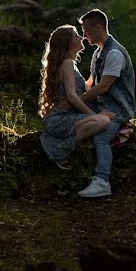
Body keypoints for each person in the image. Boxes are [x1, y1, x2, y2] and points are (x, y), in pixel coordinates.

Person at [76, 8, 136, 198]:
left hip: (117, 109)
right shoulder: (98, 53)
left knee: (100, 138)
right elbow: (91, 83)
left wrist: (80, 100)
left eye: (86, 30)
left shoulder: (115, 53)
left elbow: (103, 87)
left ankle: (102, 181)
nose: (84, 36)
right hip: (102, 106)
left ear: (98, 27)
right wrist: (72, 96)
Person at [39, 25, 113, 171]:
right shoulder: (67, 63)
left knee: (103, 120)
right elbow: (72, 96)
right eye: (76, 36)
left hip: (62, 117)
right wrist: (93, 115)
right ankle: (59, 151)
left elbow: (85, 89)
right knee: (102, 121)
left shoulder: (69, 64)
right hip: (60, 119)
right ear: (68, 43)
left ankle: (60, 146)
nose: (82, 37)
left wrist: (97, 71)